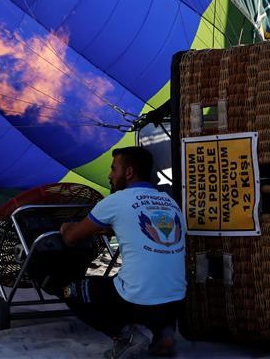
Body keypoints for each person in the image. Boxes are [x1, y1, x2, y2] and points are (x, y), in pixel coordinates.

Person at [59, 146, 186, 358]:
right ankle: (163, 337)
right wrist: (112, 228)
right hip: (175, 302)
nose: (109, 175)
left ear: (128, 173)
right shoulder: (169, 201)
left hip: (139, 301)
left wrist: (66, 228)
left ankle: (124, 337)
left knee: (71, 290)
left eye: (113, 169)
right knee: (138, 283)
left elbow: (72, 238)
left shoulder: (115, 201)